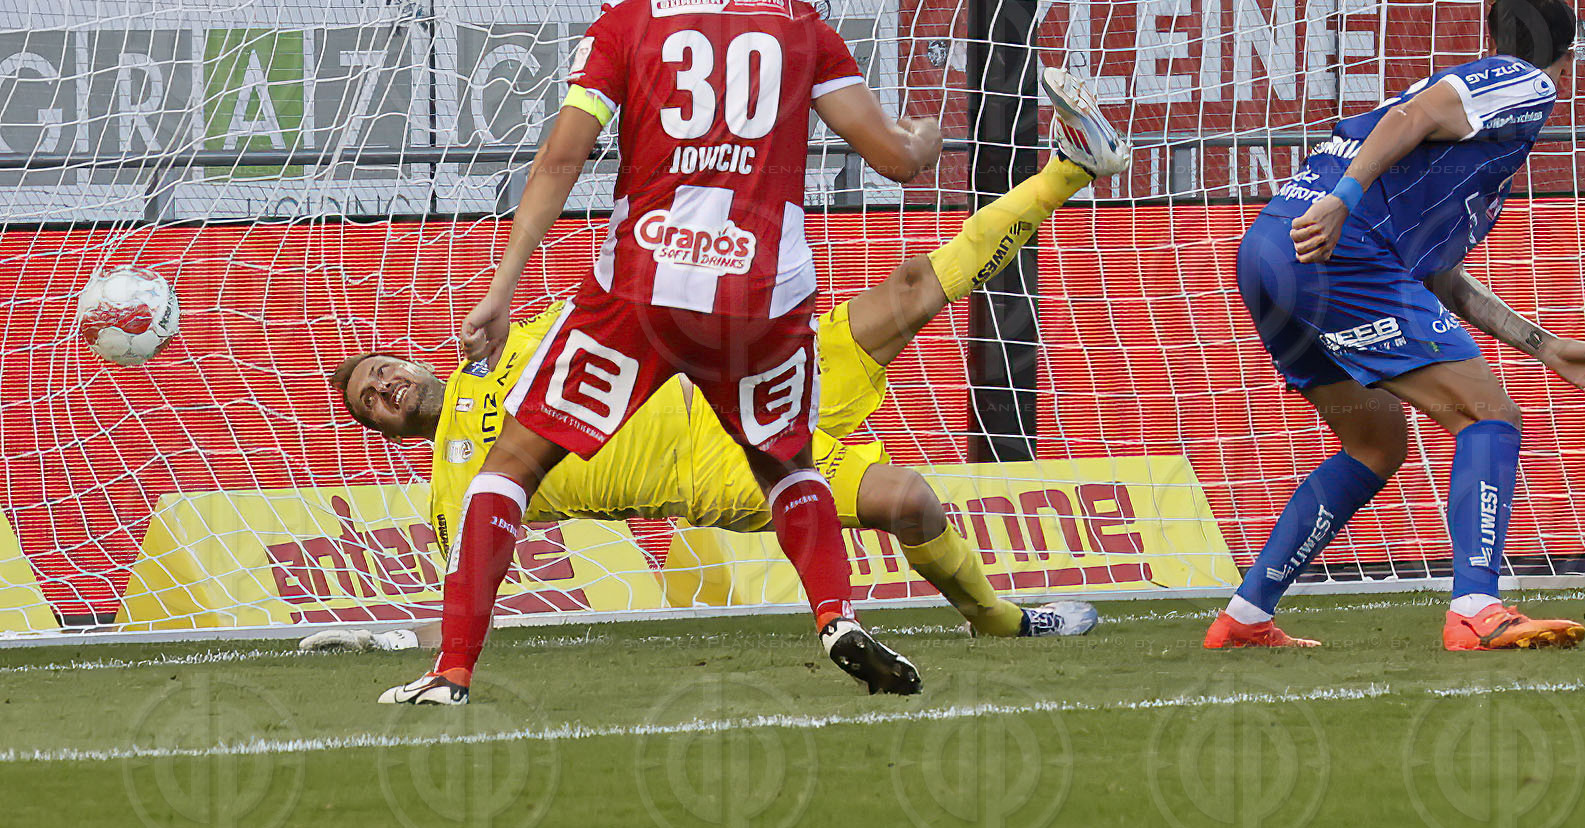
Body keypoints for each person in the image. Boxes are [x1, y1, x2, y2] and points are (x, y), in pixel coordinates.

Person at [382, 0, 953, 705]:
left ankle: (451, 670)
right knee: (789, 464)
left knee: (511, 467)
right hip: (761, 296)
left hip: (641, 296)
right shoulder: (803, 26)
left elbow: (562, 157)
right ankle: (834, 614)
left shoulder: (629, 22)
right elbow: (893, 159)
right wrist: (924, 138)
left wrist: (502, 289)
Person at [336, 113, 1129, 642]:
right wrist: (386, 635)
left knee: (913, 289)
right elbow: (463, 589)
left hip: (752, 370)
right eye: (372, 402)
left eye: (380, 371)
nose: (384, 388)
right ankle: (1000, 621)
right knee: (911, 500)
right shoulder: (453, 482)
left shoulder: (515, 333)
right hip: (717, 467)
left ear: (406, 359)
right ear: (385, 431)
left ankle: (1073, 166)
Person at [1208, 0, 1585, 652]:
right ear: (1566, 57)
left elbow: (1437, 279)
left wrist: (1542, 342)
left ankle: (1246, 616)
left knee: (1376, 445)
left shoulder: (1480, 147)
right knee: (1489, 415)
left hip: (1273, 249)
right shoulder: (1524, 85)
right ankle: (1475, 608)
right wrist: (1345, 200)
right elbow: (1413, 115)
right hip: (1334, 246)